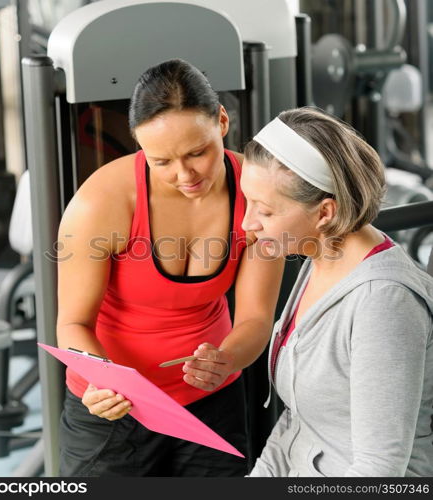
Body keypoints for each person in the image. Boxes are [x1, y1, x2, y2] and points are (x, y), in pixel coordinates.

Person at [55, 58, 284, 477]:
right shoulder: (101, 202)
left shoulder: (258, 193)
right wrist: (101, 380)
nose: (184, 175)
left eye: (198, 152)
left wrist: (227, 359)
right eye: (161, 161)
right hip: (112, 407)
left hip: (211, 402)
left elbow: (255, 318)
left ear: (222, 121)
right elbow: (72, 323)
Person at [240, 107, 433, 477]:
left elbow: (378, 471)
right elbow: (301, 423)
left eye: (264, 210)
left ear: (324, 213)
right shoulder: (320, 258)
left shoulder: (384, 303)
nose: (248, 223)